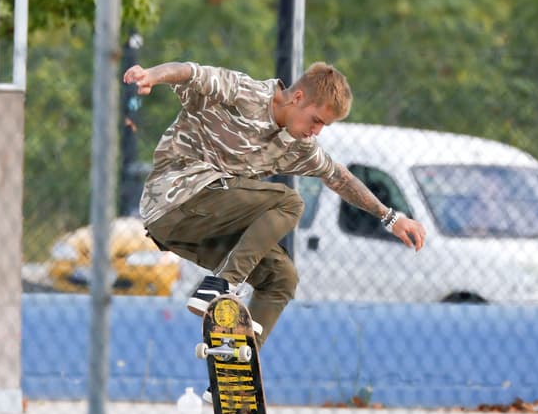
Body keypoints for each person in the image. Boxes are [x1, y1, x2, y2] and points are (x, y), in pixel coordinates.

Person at [121, 60, 426, 350]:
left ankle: (236, 365)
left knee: (282, 278)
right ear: (298, 97)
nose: (315, 131)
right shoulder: (246, 93)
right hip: (176, 197)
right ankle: (222, 284)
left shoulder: (299, 146)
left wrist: (389, 217)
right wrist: (152, 75)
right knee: (289, 202)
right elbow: (190, 72)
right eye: (316, 120)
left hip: (194, 228)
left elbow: (339, 177)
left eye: (324, 127)